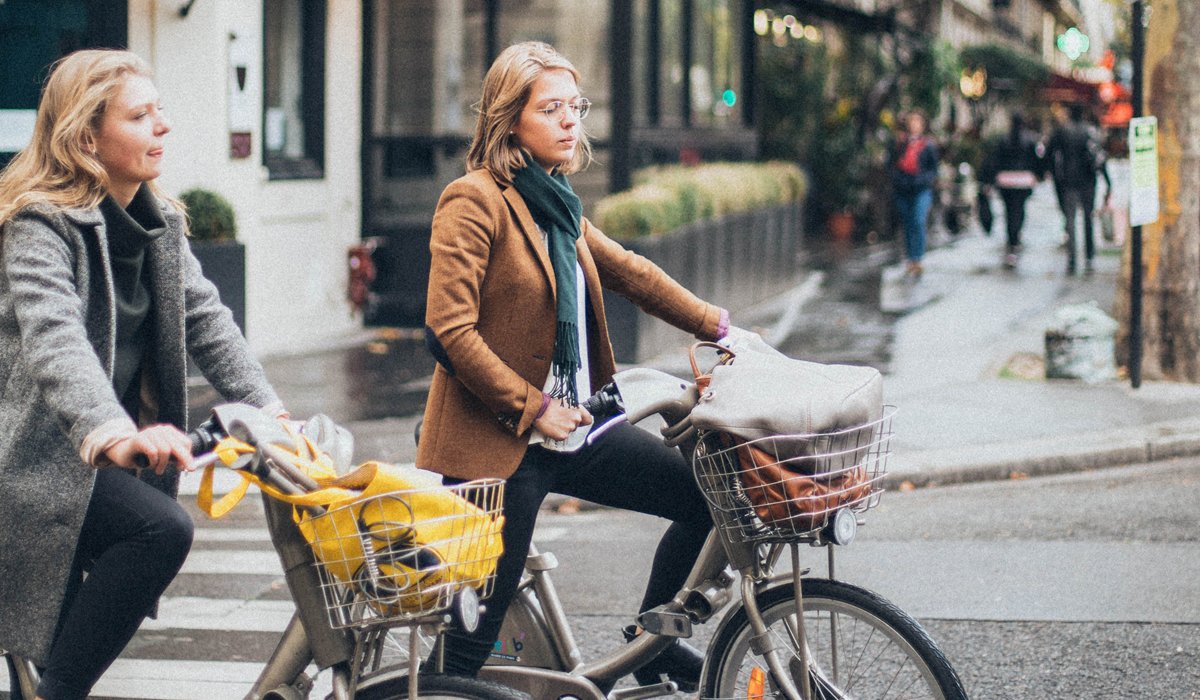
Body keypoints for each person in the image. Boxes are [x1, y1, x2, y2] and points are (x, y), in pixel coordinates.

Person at [418, 41, 731, 691]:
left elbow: (633, 274)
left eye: (576, 107)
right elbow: (448, 331)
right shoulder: (473, 200)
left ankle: (656, 644)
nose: (570, 121)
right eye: (551, 108)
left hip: (578, 428)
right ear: (510, 120)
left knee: (705, 496)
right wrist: (534, 407)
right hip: (499, 444)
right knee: (473, 640)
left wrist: (723, 327)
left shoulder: (558, 205)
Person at [0, 50, 283, 700]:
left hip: (100, 463)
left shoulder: (161, 222)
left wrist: (271, 411)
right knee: (158, 528)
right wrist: (108, 429)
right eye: (139, 115)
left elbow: (207, 319)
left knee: (68, 633)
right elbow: (55, 337)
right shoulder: (39, 226)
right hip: (38, 461)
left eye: (160, 111)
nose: (162, 127)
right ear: (85, 136)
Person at [1045, 104, 1109, 274]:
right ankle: (1089, 258)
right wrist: (1108, 182)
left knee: (1071, 221)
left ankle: (1072, 260)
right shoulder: (1090, 132)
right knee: (1088, 220)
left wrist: (1054, 174)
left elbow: (1049, 154)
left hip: (1068, 181)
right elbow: (1100, 158)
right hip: (1088, 181)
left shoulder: (1062, 131)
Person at [979, 113, 1044, 270]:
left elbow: (994, 160)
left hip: (1006, 181)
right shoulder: (1030, 139)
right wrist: (1037, 175)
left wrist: (989, 180)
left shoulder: (1004, 139)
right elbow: (1037, 161)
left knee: (1009, 211)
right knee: (1019, 210)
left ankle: (1012, 238)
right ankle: (1015, 238)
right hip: (1023, 181)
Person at [889, 110, 939, 278]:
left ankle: (917, 258)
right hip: (903, 189)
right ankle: (910, 258)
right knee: (908, 223)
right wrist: (898, 180)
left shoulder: (928, 145)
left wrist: (923, 180)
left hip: (921, 189)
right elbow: (891, 165)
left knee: (918, 221)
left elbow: (933, 170)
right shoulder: (899, 143)